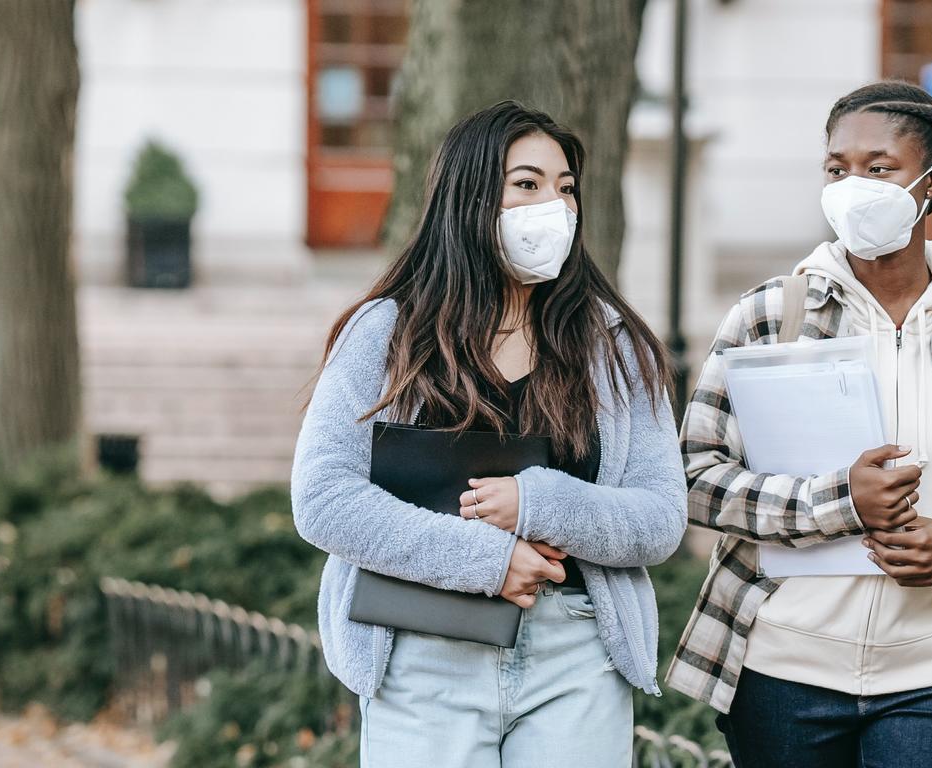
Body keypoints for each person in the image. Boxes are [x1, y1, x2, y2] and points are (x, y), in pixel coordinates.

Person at [290, 100, 688, 767]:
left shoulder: (612, 345)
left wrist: (540, 504)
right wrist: (488, 560)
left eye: (566, 189)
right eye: (526, 185)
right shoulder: (387, 335)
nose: (553, 207)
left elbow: (660, 518)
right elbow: (324, 498)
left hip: (576, 654)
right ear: (470, 199)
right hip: (422, 650)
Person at [664, 81, 932, 767]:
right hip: (781, 667)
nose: (852, 186)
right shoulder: (768, 317)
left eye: (878, 168)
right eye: (837, 169)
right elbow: (694, 478)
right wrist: (840, 502)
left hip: (931, 671)